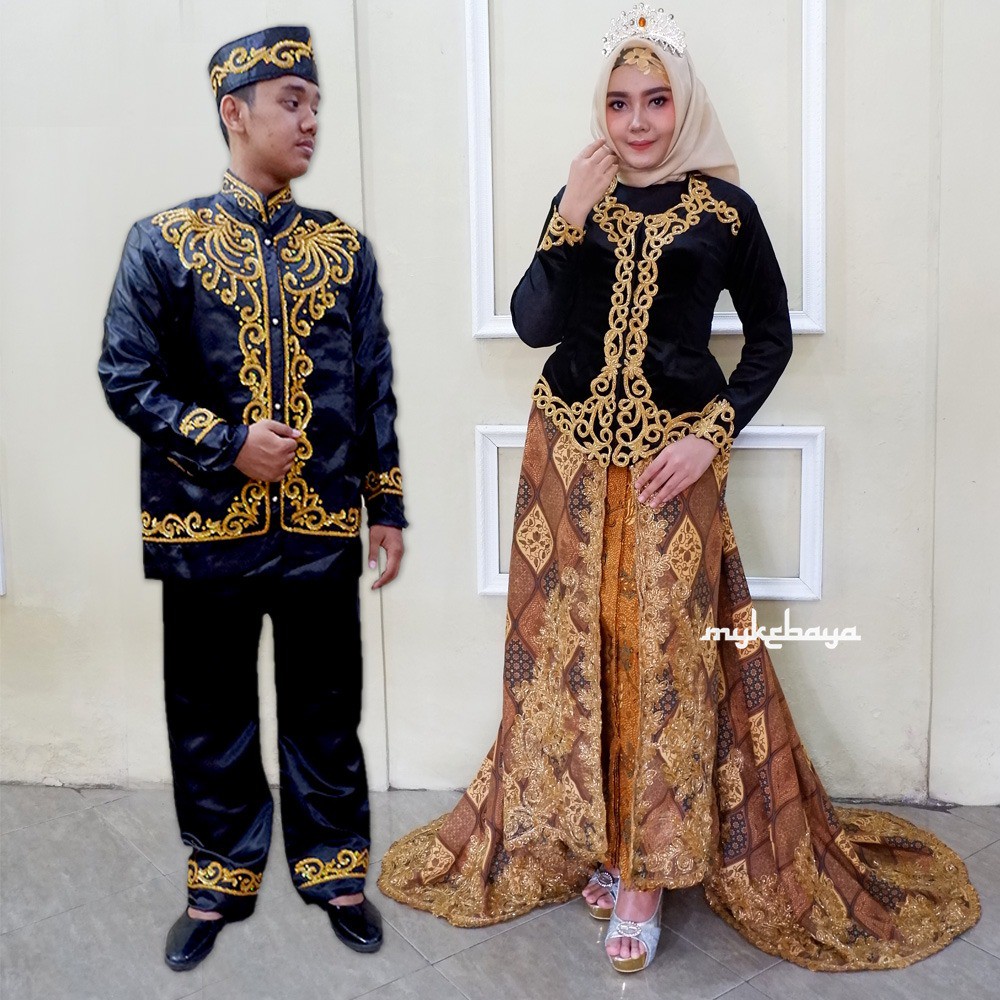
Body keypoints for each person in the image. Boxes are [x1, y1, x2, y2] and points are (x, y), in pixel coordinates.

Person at [378, 5, 978, 975]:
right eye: (619, 102)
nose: (637, 121)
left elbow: (770, 337)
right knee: (578, 653)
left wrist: (711, 435)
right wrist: (569, 216)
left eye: (655, 100)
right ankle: (604, 836)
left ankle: (648, 871)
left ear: (684, 104)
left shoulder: (725, 214)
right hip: (567, 461)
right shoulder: (579, 196)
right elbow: (534, 323)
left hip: (672, 466)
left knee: (665, 660)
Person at [99, 25, 406, 970]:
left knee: (326, 704)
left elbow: (372, 383)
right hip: (203, 529)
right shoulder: (164, 243)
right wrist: (229, 444)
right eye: (291, 102)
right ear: (235, 112)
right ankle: (218, 877)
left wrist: (387, 505)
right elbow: (125, 376)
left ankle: (336, 871)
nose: (311, 120)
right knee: (210, 708)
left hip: (320, 524)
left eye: (316, 104)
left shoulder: (343, 250)